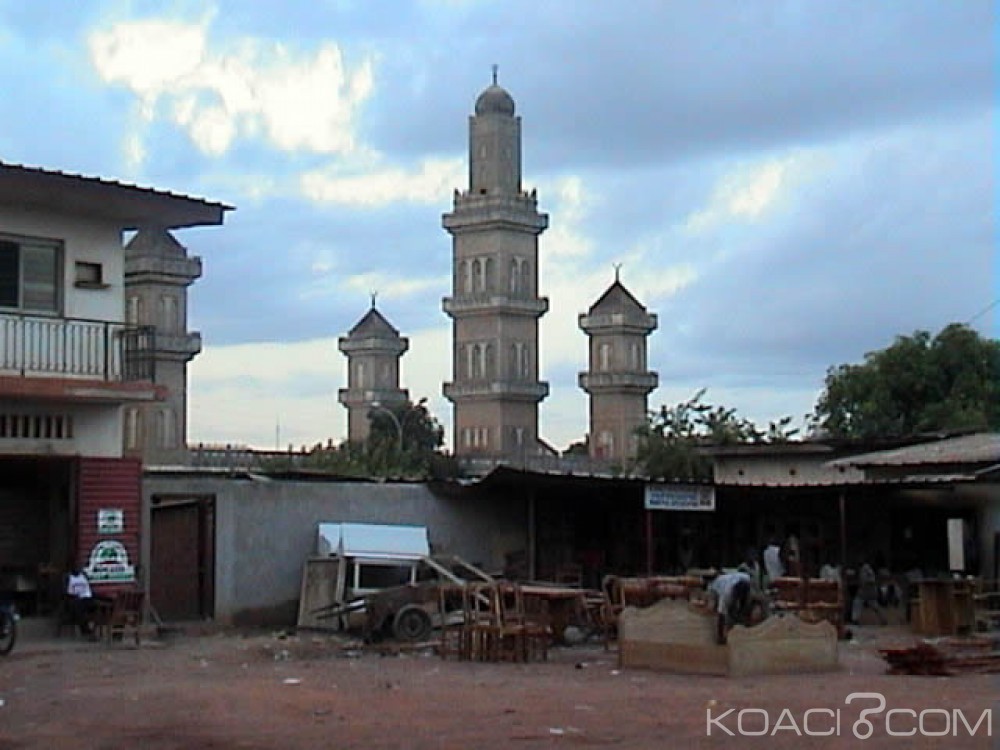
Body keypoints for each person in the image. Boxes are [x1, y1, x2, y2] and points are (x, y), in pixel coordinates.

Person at [708, 570, 752, 645]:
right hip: (716, 588)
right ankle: (726, 630)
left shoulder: (747, 579)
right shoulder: (725, 593)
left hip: (733, 580)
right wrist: (720, 636)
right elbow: (721, 615)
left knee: (740, 608)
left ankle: (739, 621)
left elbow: (745, 601)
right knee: (722, 610)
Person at [66, 567, 108, 636]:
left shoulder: (84, 575)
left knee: (105, 602)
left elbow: (89, 589)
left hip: (87, 597)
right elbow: (67, 592)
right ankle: (86, 630)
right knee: (79, 607)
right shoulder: (68, 577)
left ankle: (113, 624)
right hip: (76, 599)